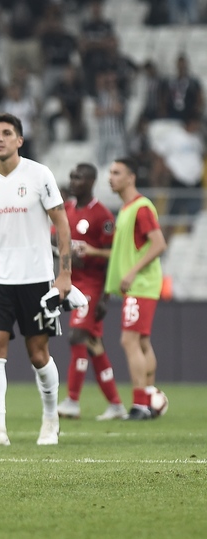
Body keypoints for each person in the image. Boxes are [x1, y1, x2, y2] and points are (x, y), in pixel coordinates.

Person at [0, 112, 72, 447]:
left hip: (36, 277)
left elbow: (61, 224)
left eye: (6, 133)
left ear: (19, 140)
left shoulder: (39, 175)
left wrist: (64, 273)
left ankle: (50, 419)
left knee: (37, 353)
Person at [55, 164, 128, 421]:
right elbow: (56, 241)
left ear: (91, 181)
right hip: (74, 284)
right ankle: (116, 404)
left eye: (80, 177)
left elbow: (114, 255)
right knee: (94, 344)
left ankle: (73, 401)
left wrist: (106, 296)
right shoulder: (68, 210)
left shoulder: (102, 215)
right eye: (73, 176)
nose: (74, 181)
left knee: (76, 336)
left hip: (94, 286)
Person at [105, 158, 167, 420]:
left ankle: (140, 403)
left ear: (131, 177)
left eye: (117, 173)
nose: (111, 177)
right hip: (141, 285)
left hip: (141, 284)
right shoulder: (127, 209)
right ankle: (150, 395)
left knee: (128, 340)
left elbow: (158, 244)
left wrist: (131, 272)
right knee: (141, 341)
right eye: (110, 172)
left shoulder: (141, 208)